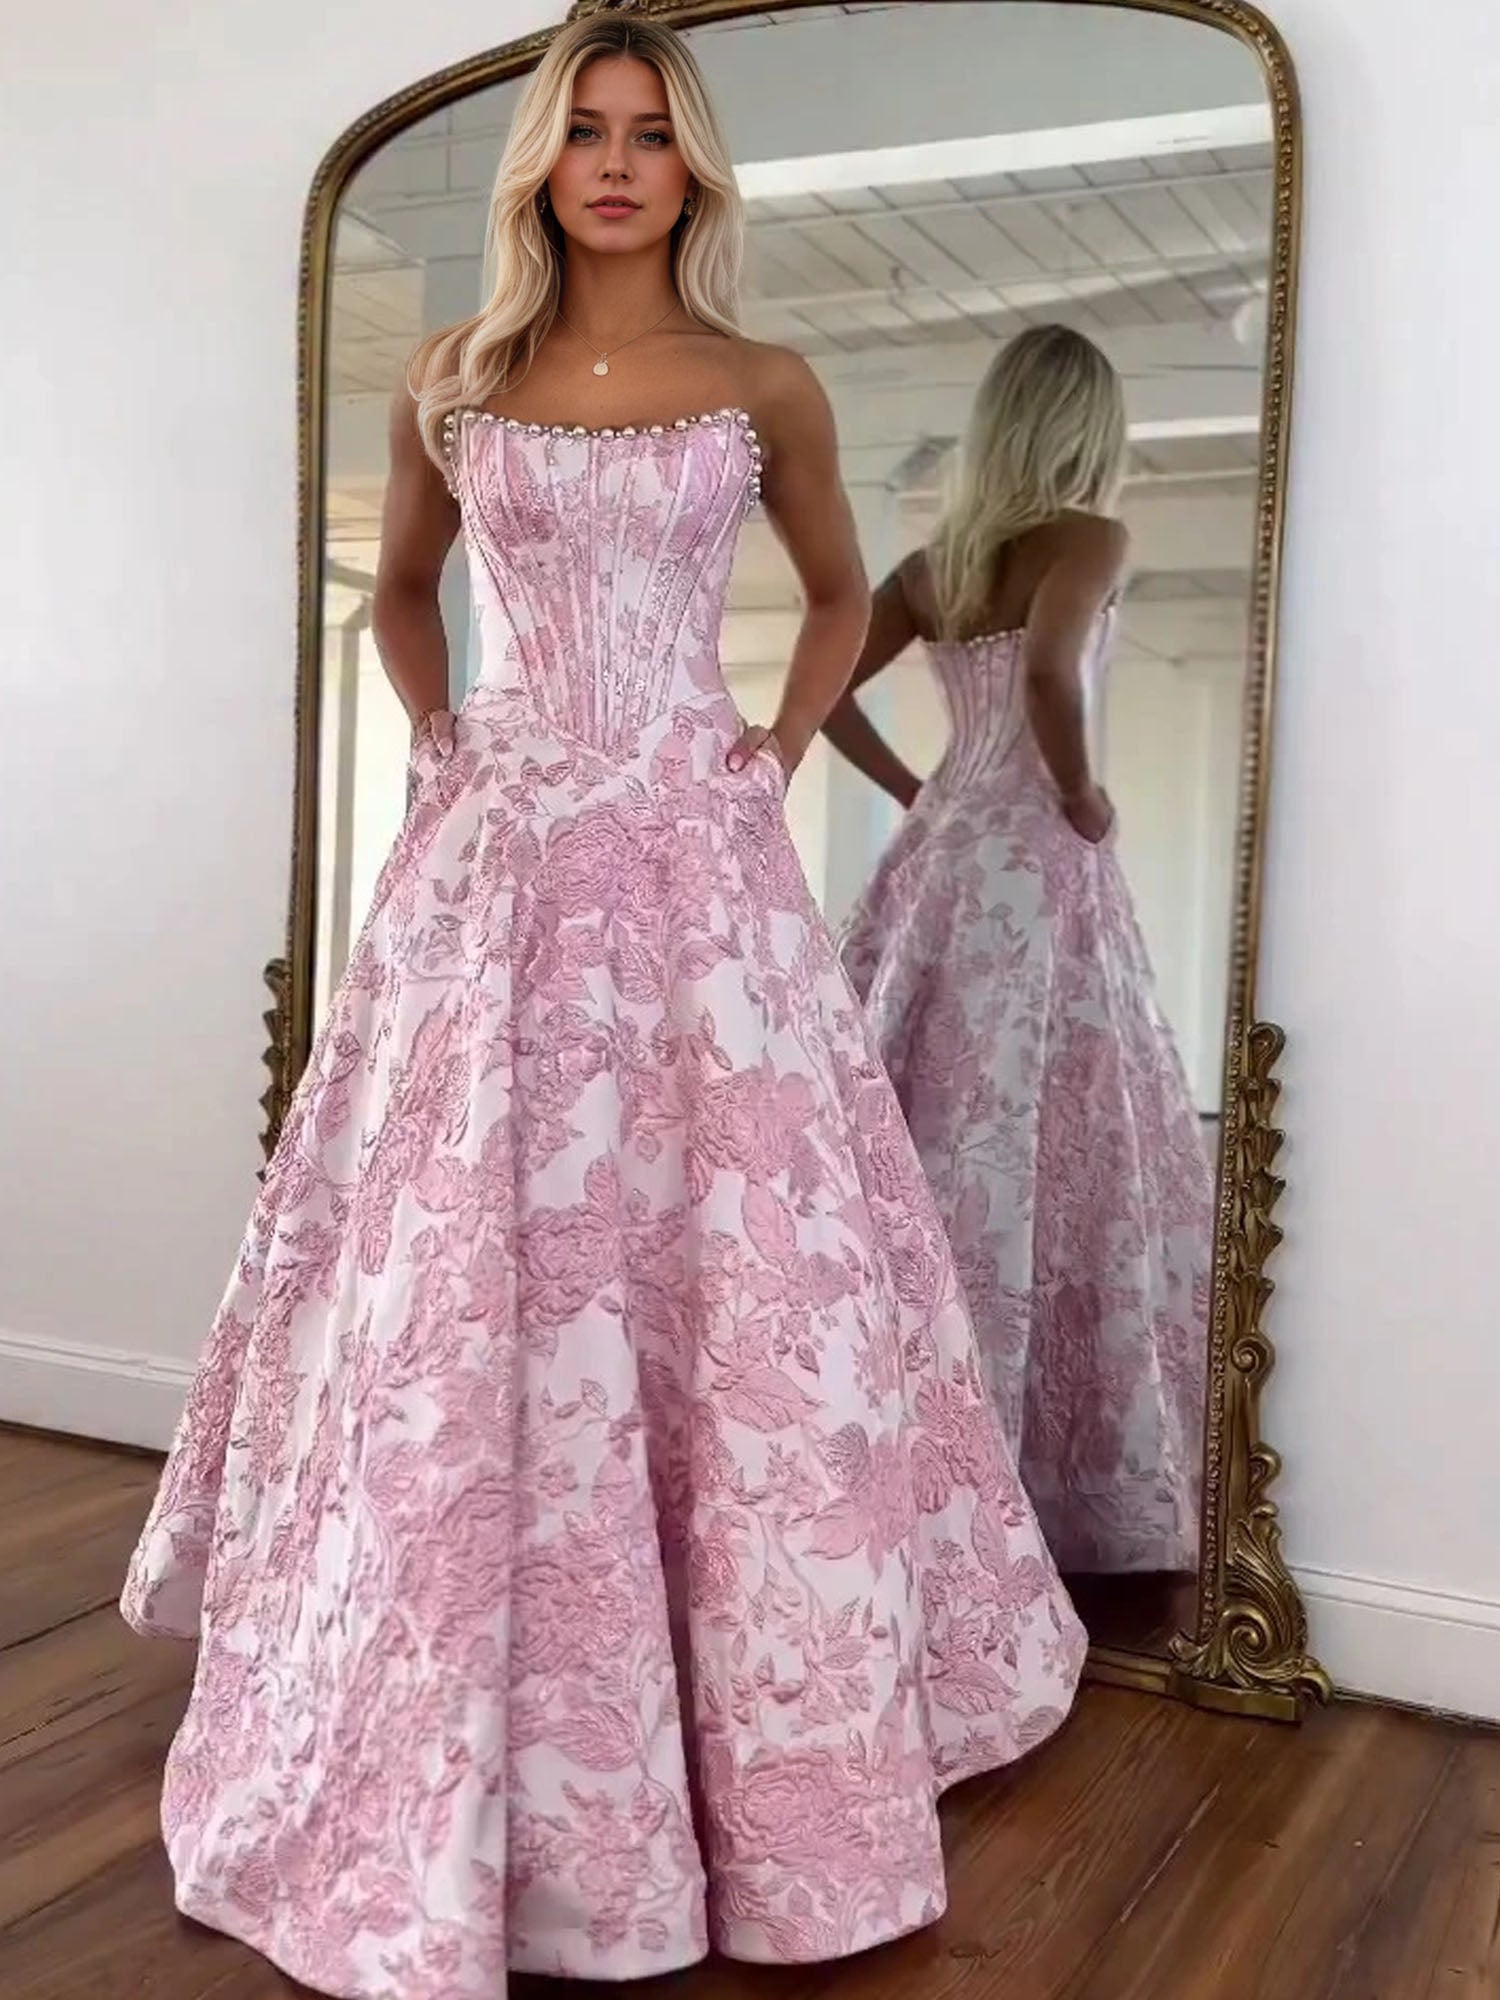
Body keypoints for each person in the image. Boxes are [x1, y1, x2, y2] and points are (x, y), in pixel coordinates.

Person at [121, 22, 1084, 2000]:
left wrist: (772, 752)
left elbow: (842, 596)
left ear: (691, 169)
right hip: (503, 857)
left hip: (694, 857)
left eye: (652, 134)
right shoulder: (455, 376)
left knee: (731, 1263)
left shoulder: (763, 380)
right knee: (467, 1260)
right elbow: (399, 594)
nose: (620, 163)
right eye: (586, 133)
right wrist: (445, 742)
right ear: (543, 168)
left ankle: (759, 1737)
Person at [830, 325, 1213, 1585]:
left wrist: (916, 791)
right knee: (1062, 1137)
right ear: (1088, 426)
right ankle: (1043, 1484)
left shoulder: (933, 565)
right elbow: (1051, 670)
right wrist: (1084, 791)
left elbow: (820, 690)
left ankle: (898, 1453)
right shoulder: (1091, 538)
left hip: (943, 851)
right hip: (1037, 856)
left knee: (926, 1125)